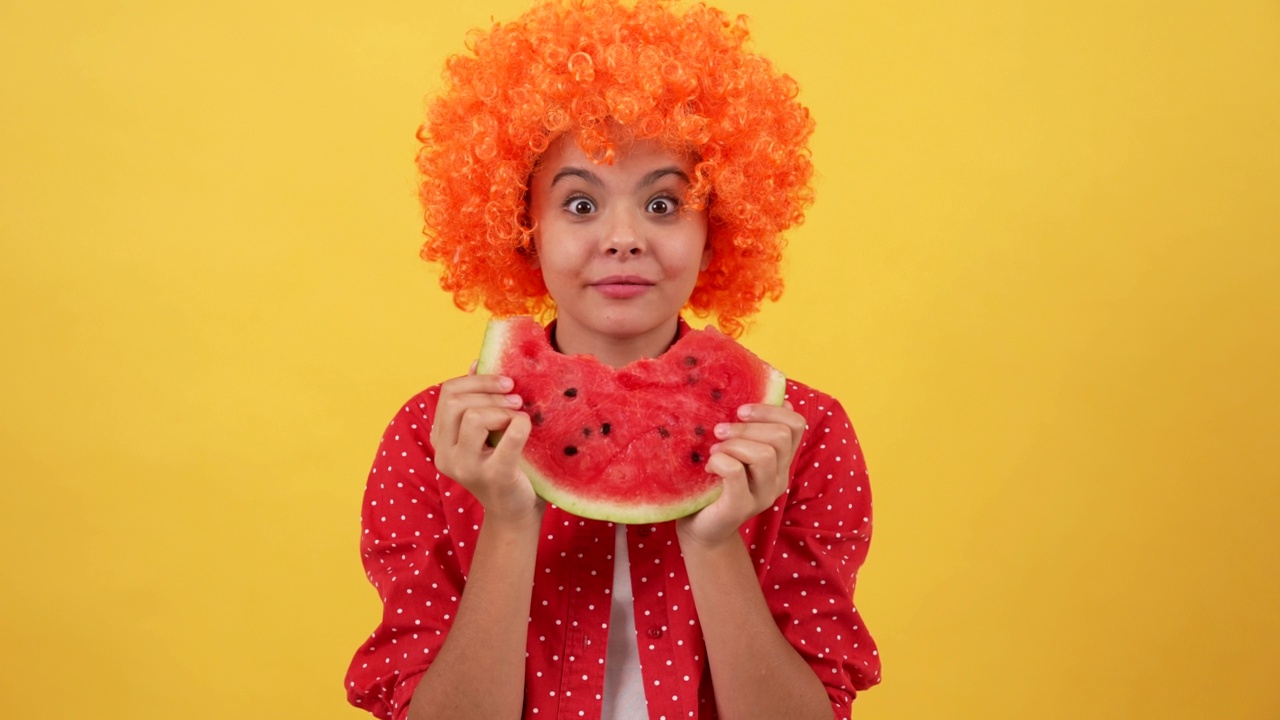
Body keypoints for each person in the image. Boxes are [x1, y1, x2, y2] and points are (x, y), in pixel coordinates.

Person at [345, 1, 881, 718]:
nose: (624, 238)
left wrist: (715, 540)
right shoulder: (435, 439)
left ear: (715, 230)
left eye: (663, 204)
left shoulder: (799, 434)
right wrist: (507, 522)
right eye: (579, 204)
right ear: (521, 227)